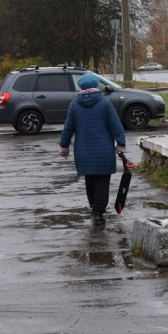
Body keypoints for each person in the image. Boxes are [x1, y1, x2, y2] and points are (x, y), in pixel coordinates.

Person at [59, 73, 127, 226]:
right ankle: (99, 211)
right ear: (96, 86)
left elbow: (68, 128)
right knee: (102, 181)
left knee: (89, 180)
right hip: (104, 151)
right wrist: (121, 144)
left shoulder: (74, 105)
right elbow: (115, 125)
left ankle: (94, 207)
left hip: (83, 152)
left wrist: (64, 147)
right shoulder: (105, 103)